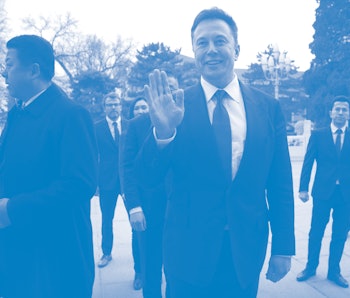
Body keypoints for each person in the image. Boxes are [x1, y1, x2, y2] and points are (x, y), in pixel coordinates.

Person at [135, 7, 295, 298]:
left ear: (236, 48)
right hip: (187, 254)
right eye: (202, 43)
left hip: (244, 252)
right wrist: (164, 133)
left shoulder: (268, 107)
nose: (211, 50)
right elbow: (146, 178)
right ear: (194, 51)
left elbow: (280, 181)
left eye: (220, 41)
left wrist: (284, 245)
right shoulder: (174, 106)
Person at [0, 35, 98, 298]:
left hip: (54, 260)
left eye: (9, 64)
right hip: (16, 251)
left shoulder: (70, 114)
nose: (4, 72)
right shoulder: (18, 113)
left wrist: (12, 209)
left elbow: (79, 185)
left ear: (33, 70)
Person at [121, 77, 179, 298]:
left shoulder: (187, 119)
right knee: (151, 267)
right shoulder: (137, 124)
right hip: (149, 207)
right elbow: (128, 167)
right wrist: (134, 206)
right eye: (163, 89)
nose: (168, 94)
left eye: (172, 89)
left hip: (181, 208)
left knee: (177, 269)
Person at [296, 95, 350, 288]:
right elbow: (308, 162)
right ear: (331, 112)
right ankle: (310, 267)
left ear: (349, 114)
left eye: (345, 109)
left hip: (346, 195)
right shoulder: (318, 135)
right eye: (338, 109)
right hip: (323, 193)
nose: (341, 112)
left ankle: (334, 271)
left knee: (340, 234)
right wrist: (303, 188)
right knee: (316, 231)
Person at [95, 91, 123, 268]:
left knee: (137, 218)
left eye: (116, 104)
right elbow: (92, 156)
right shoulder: (96, 128)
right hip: (106, 181)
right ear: (104, 107)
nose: (113, 107)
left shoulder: (130, 126)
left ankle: (140, 265)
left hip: (128, 181)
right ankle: (106, 253)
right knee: (107, 219)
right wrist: (95, 183)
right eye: (110, 105)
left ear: (121, 106)